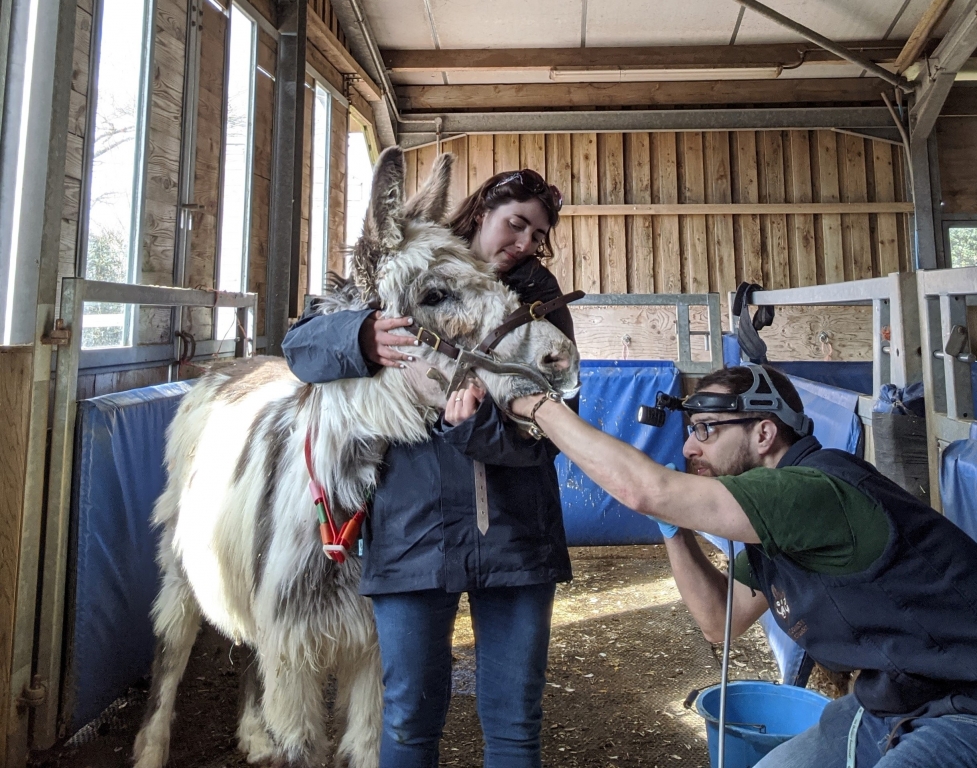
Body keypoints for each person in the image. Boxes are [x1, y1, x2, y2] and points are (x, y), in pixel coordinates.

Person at [511, 363, 977, 767]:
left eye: (706, 429)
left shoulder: (811, 490)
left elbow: (645, 488)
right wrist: (671, 526)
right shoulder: (779, 523)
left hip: (963, 707)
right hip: (892, 704)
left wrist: (537, 407)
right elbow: (719, 620)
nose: (691, 448)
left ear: (764, 433)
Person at [282, 168, 572, 768]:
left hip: (516, 533)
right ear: (480, 213)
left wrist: (472, 425)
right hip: (416, 530)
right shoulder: (409, 270)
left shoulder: (541, 306)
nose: (522, 242)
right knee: (410, 715)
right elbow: (300, 347)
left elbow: (549, 437)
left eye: (536, 235)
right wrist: (360, 337)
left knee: (515, 718)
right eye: (514, 223)